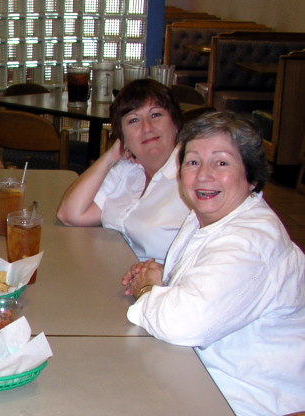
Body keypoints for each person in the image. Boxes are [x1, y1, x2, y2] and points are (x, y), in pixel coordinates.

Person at [122, 111, 305, 415]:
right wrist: (163, 278)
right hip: (198, 375)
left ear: (252, 177)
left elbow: (183, 323)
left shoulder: (251, 243)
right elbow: (207, 282)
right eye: (193, 162)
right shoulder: (205, 218)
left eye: (221, 162)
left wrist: (148, 290)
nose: (204, 174)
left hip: (245, 399)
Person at [56, 78, 190, 263]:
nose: (147, 127)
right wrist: (111, 156)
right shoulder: (127, 171)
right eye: (133, 120)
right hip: (111, 274)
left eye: (156, 115)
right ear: (123, 137)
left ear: (175, 123)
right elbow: (70, 215)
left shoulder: (194, 178)